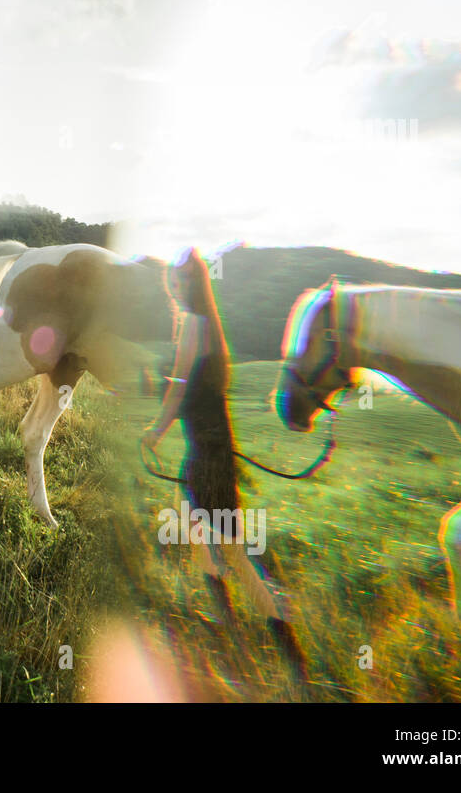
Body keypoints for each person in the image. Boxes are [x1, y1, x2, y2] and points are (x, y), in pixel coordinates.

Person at [140, 247, 308, 679]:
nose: (175, 292)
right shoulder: (204, 325)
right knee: (196, 526)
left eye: (180, 285)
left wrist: (156, 430)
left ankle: (282, 632)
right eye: (171, 285)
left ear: (193, 286)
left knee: (231, 547)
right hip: (209, 447)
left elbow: (178, 388)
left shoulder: (195, 326)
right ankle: (230, 616)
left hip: (210, 451)